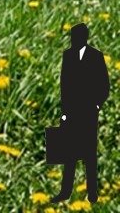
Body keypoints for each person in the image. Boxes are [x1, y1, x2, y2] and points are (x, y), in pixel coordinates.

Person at [61, 22, 110, 205]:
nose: (75, 39)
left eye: (78, 36)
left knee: (89, 153)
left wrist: (97, 105)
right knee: (70, 153)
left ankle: (92, 193)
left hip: (89, 111)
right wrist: (65, 111)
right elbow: (64, 86)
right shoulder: (68, 56)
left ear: (84, 37)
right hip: (72, 111)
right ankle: (66, 192)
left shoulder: (96, 57)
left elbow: (104, 85)